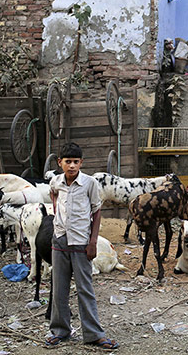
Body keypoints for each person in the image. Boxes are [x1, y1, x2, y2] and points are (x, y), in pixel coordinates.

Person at [45, 142, 119, 350]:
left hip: (81, 243)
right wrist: (58, 223)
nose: (72, 166)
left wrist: (93, 242)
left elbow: (96, 211)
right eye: (67, 162)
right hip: (59, 241)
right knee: (58, 289)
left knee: (85, 289)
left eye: (76, 162)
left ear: (81, 163)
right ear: (60, 163)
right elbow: (54, 198)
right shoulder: (56, 182)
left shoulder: (89, 184)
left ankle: (94, 334)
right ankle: (60, 330)